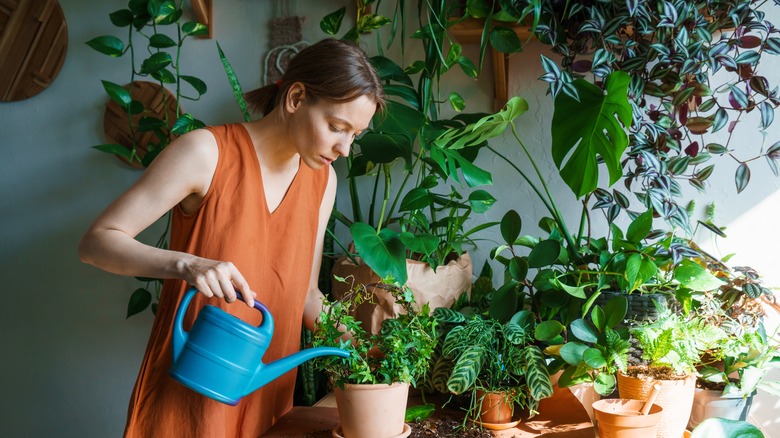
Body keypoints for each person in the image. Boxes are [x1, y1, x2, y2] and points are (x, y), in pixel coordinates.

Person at [79, 38, 385, 437]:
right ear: (295, 97)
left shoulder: (322, 180)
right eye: (336, 127)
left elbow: (306, 296)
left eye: (354, 136)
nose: (344, 148)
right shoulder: (205, 153)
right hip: (191, 398)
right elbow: (97, 241)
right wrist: (186, 264)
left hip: (268, 399)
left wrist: (364, 345)